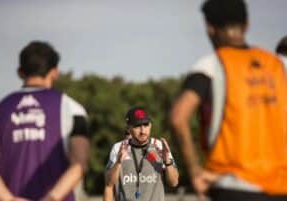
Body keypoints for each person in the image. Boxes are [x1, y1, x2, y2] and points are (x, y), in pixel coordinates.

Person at [170, 0, 287, 201]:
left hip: (231, 186)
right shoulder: (277, 66)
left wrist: (195, 172)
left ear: (209, 28)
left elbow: (178, 118)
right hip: (280, 187)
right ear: (247, 24)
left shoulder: (211, 65)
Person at [0, 41, 90, 201]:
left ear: (20, 72)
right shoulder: (73, 109)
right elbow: (79, 164)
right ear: (55, 72)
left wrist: (9, 199)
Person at [105, 107, 179, 201]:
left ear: (150, 125)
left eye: (146, 125)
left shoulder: (160, 146)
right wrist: (118, 163)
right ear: (128, 128)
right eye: (137, 126)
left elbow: (174, 182)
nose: (143, 131)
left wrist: (167, 161)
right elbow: (109, 183)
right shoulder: (118, 148)